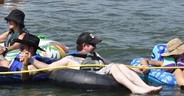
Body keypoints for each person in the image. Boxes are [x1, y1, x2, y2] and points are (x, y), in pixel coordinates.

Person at [26, 32, 162, 94]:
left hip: (103, 74)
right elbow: (49, 68)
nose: (95, 47)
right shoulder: (70, 59)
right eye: (93, 45)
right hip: (89, 75)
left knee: (118, 65)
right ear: (84, 45)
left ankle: (144, 86)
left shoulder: (95, 55)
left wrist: (137, 70)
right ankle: (135, 89)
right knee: (114, 67)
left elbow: (111, 63)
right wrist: (31, 59)